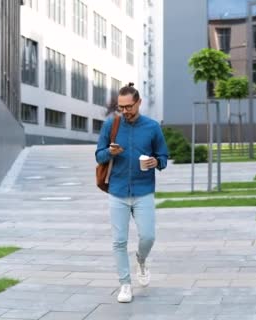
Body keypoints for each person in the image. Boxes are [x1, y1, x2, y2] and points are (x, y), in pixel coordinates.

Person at [95, 83, 169, 303]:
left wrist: (157, 161)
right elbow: (99, 156)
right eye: (121, 107)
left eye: (128, 107)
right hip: (117, 191)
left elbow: (163, 157)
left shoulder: (152, 127)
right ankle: (125, 284)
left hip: (143, 190)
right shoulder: (111, 125)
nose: (125, 111)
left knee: (148, 236)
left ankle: (141, 259)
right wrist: (110, 151)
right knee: (119, 241)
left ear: (138, 103)